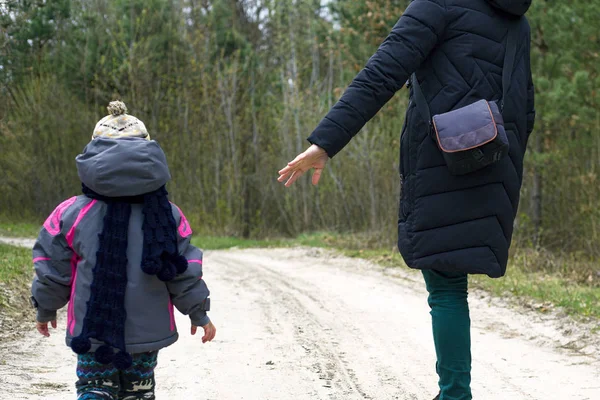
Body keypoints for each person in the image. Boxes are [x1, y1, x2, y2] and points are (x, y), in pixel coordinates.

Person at [278, 1, 535, 399]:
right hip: (494, 156)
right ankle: (454, 392)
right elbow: (524, 105)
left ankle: (454, 394)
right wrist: (503, 156)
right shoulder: (517, 19)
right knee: (451, 281)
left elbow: (381, 75)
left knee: (446, 284)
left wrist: (325, 143)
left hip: (444, 156)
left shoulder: (438, 5)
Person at [31, 101, 216, 400]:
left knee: (94, 390)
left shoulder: (71, 213)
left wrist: (45, 306)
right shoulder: (167, 215)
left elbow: (52, 268)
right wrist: (198, 312)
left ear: (92, 156)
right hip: (147, 337)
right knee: (139, 394)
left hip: (93, 333)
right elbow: (183, 271)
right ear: (149, 156)